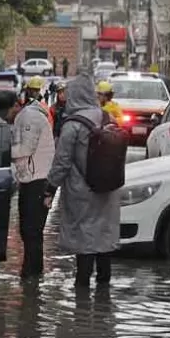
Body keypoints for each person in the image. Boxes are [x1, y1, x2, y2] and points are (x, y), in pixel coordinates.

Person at [47, 75, 121, 288]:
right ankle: (103, 296)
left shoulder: (73, 125)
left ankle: (82, 294)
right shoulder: (108, 118)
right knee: (104, 237)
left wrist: (49, 189)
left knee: (84, 240)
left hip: (82, 191)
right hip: (109, 189)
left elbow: (61, 162)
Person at [10, 85, 56, 279]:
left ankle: (31, 276)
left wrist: (2, 152)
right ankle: (33, 276)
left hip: (37, 180)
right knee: (30, 232)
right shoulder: (31, 114)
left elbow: (26, 148)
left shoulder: (30, 117)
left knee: (31, 232)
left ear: (14, 106)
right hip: (34, 179)